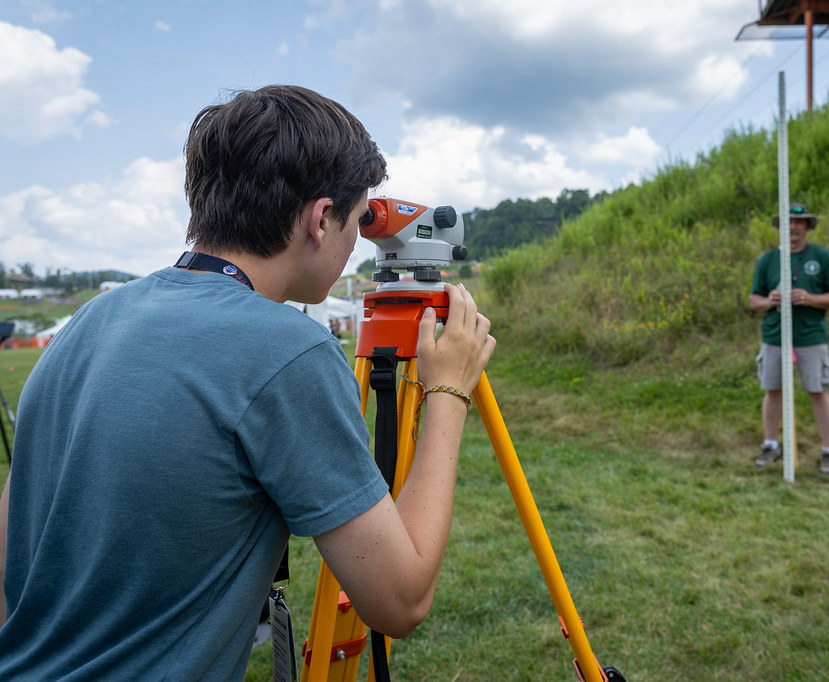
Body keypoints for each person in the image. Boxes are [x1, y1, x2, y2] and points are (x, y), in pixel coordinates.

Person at [0, 85, 496, 680]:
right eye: (356, 218)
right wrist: (448, 392)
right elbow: (401, 600)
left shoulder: (92, 320)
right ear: (320, 219)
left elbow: (13, 546)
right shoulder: (287, 350)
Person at [748, 203, 829, 474]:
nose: (793, 226)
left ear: (807, 226)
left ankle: (828, 451)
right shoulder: (767, 260)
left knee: (818, 390)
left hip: (810, 337)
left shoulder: (823, 257)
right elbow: (753, 300)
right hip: (775, 336)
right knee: (773, 390)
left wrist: (811, 298)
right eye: (788, 221)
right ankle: (770, 444)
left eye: (799, 222)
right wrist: (769, 301)